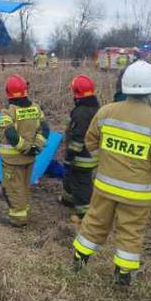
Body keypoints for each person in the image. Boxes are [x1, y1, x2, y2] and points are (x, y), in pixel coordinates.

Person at [72, 61, 151, 286]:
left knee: (94, 222)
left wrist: (102, 162)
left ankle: (79, 261)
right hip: (137, 194)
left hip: (104, 186)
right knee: (130, 232)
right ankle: (122, 275)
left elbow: (90, 140)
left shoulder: (106, 112)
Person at [0, 75, 50, 227]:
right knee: (24, 185)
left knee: (12, 188)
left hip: (12, 160)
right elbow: (45, 129)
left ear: (8, 93)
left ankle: (18, 219)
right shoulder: (36, 108)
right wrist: (35, 147)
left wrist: (25, 148)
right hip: (30, 158)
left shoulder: (8, 112)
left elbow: (11, 134)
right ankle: (23, 210)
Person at [60, 75, 100, 220]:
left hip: (82, 156)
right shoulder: (95, 108)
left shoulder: (81, 113)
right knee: (71, 177)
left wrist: (70, 155)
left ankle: (83, 213)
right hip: (91, 154)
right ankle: (68, 200)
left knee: (81, 182)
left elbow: (78, 137)